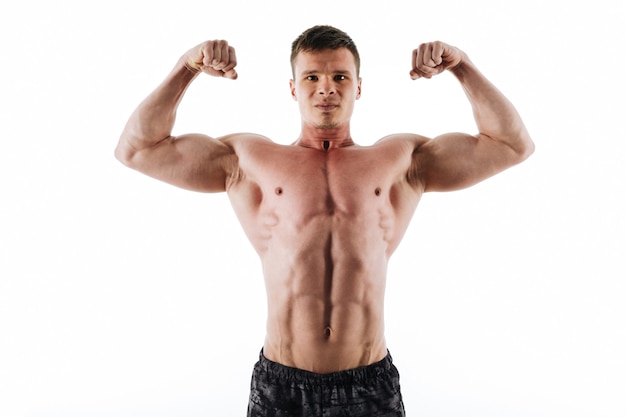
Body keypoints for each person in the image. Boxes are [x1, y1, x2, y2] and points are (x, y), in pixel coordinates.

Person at [115, 25, 534, 417]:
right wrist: (187, 67)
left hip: (370, 384)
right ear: (293, 88)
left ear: (359, 87)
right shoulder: (249, 159)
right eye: (312, 77)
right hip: (282, 384)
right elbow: (137, 150)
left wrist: (461, 65)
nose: (327, 89)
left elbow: (511, 145)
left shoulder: (399, 160)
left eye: (340, 77)